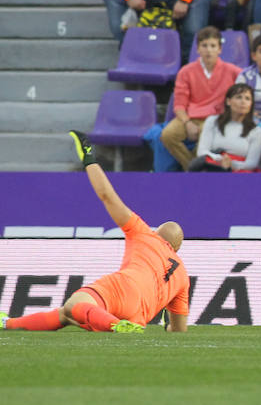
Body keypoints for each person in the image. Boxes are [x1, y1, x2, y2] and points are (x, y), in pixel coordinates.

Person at [0, 134, 189, 334]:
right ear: (176, 249)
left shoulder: (145, 235)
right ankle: (7, 324)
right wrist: (169, 326)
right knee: (66, 314)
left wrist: (90, 160)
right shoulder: (182, 276)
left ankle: (114, 325)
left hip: (123, 288)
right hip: (138, 316)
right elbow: (179, 330)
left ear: (157, 232)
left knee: (74, 305)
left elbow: (108, 197)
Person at [161, 27, 243, 171]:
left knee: (205, 138)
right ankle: (193, 169)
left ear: (220, 49)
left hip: (218, 119)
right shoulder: (186, 72)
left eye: (213, 46)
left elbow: (245, 91)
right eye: (204, 46)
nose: (208, 50)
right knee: (167, 135)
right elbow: (179, 105)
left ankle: (195, 171)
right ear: (198, 49)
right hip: (190, 117)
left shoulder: (233, 71)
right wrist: (187, 123)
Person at [193, 82, 261, 171]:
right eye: (239, 97)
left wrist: (232, 164)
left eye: (247, 99)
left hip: (240, 171)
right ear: (228, 101)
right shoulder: (213, 121)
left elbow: (252, 163)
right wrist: (219, 160)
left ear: (251, 105)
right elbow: (202, 151)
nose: (243, 102)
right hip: (213, 166)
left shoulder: (257, 131)